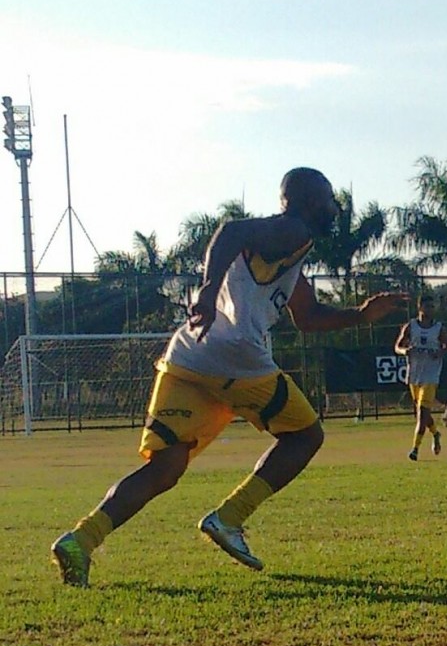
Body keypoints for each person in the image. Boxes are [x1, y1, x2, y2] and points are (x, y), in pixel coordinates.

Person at [49, 168, 406, 587]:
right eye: (329, 198)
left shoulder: (288, 252)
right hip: (236, 358)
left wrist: (360, 315)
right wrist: (207, 288)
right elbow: (230, 231)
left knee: (165, 469)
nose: (335, 207)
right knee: (306, 436)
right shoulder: (294, 230)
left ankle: (80, 541)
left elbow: (307, 317)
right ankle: (229, 518)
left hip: (189, 355)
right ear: (310, 201)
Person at [395, 292, 447, 460]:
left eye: (433, 307)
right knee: (423, 414)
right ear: (420, 308)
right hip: (414, 375)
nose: (431, 309)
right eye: (427, 306)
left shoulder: (439, 328)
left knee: (421, 413)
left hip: (431, 375)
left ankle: (415, 449)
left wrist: (439, 352)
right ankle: (436, 434)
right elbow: (397, 346)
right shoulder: (411, 326)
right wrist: (405, 351)